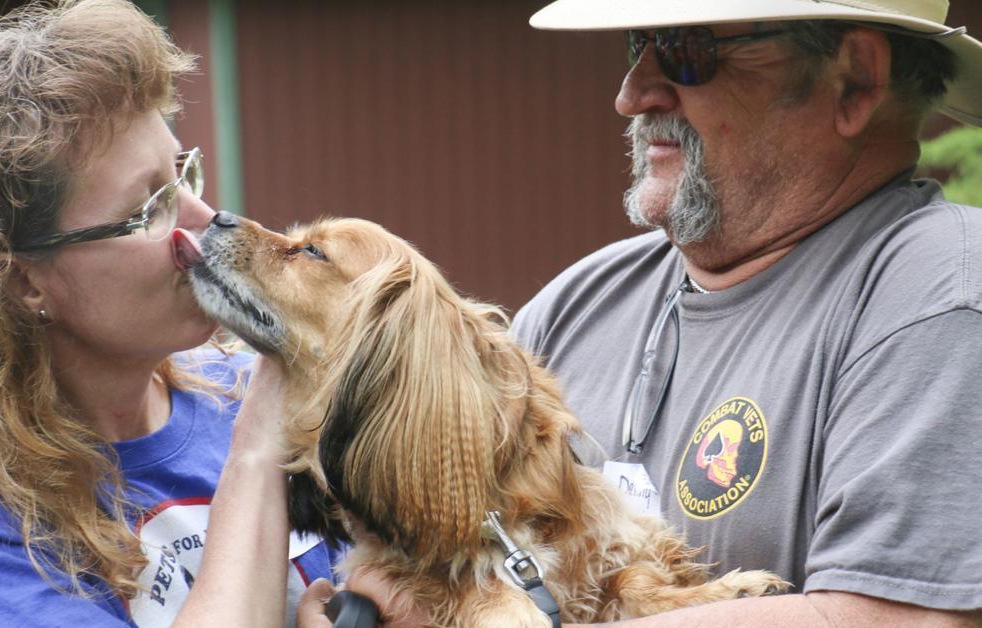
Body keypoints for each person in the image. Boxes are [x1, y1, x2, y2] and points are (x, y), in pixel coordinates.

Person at [300, 0, 982, 626]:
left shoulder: (937, 293)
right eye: (638, 43)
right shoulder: (582, 299)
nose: (632, 94)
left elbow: (894, 620)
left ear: (856, 80)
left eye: (687, 51)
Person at [0, 1, 337, 626]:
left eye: (184, 175)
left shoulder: (238, 392)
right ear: (22, 281)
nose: (206, 225)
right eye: (151, 206)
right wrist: (259, 455)